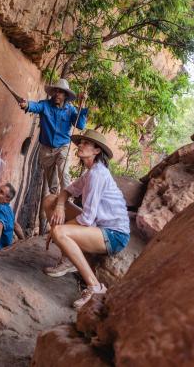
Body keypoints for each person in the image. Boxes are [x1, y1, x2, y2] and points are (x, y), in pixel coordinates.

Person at [41, 129, 130, 309]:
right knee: (51, 200)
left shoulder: (98, 175)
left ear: (97, 151)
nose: (80, 145)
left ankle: (95, 287)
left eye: (86, 143)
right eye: (80, 142)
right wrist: (59, 206)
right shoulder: (90, 172)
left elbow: (87, 219)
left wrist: (56, 231)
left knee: (59, 231)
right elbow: (67, 191)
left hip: (114, 235)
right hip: (98, 227)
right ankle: (67, 260)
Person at [19, 78, 88, 199]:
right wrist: (26, 104)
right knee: (52, 182)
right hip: (46, 149)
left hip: (63, 147)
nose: (57, 94)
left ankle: (67, 200)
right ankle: (56, 199)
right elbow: (35, 106)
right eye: (55, 91)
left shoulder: (71, 110)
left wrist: (83, 107)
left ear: (65, 95)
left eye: (60, 92)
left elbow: (81, 125)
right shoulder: (45, 105)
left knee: (64, 172)